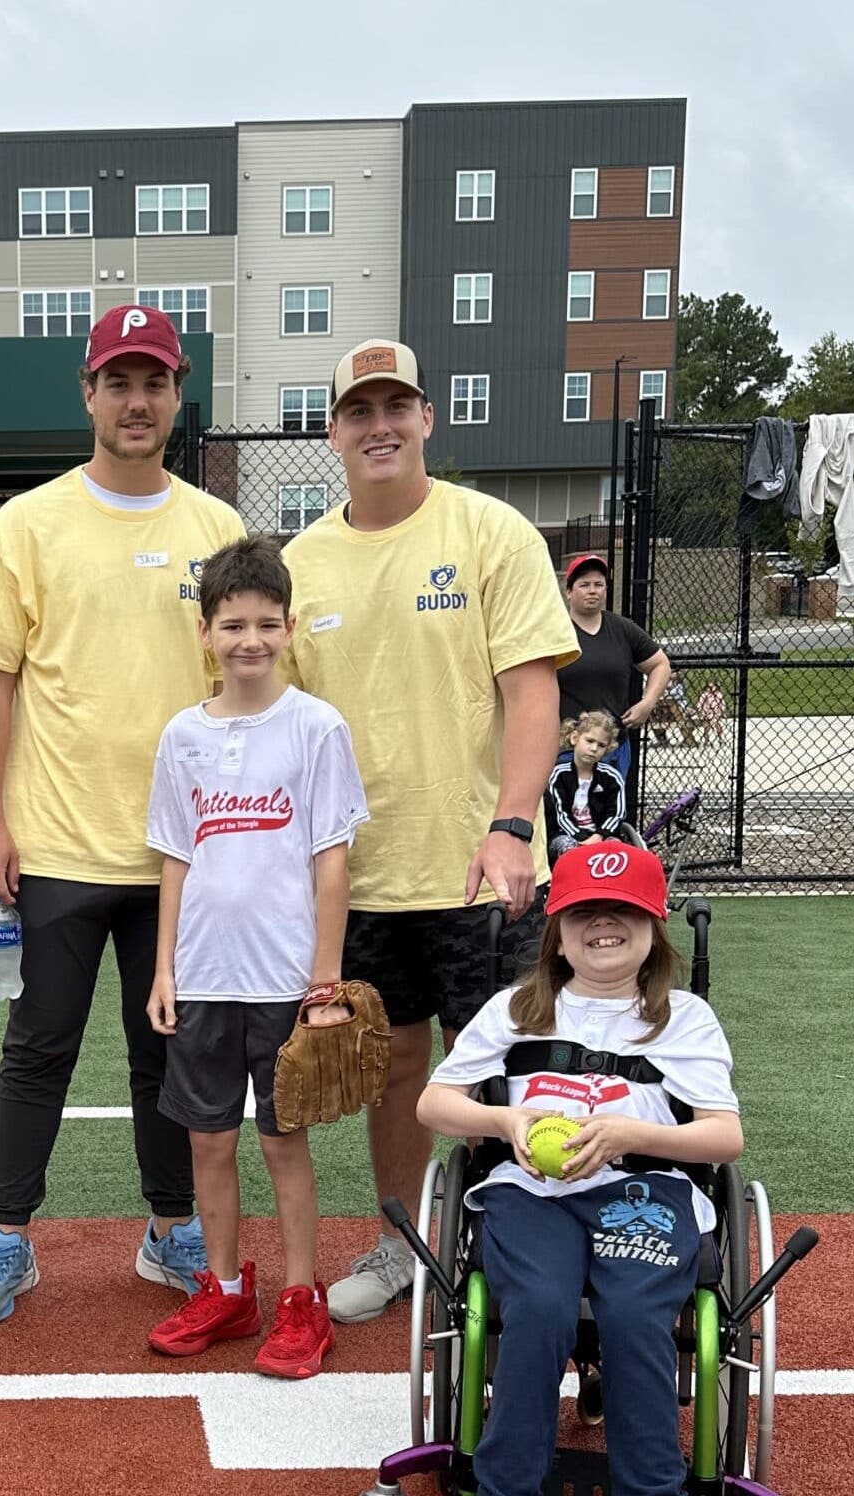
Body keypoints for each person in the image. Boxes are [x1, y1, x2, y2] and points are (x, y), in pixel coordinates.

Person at [0, 304, 248, 1327]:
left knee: (169, 1049)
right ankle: (7, 1239)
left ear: (176, 390)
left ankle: (171, 1231)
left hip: (184, 855)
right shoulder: (29, 523)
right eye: (117, 381)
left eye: (153, 381)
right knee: (40, 1045)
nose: (135, 400)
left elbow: (252, 677)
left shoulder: (215, 531)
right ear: (88, 392)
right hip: (61, 841)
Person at [281, 339, 577, 1324]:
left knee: (496, 1061)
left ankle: (510, 1249)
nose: (379, 426)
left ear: (427, 418)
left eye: (395, 406)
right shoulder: (301, 565)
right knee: (395, 1068)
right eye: (359, 410)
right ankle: (405, 1245)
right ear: (333, 430)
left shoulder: (488, 531)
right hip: (361, 875)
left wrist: (511, 826)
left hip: (473, 866)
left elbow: (532, 691)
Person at [414, 841, 742, 1496]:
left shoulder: (684, 1019)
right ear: (557, 931)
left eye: (623, 911)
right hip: (532, 1191)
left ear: (652, 928)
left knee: (634, 1316)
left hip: (645, 1188)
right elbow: (434, 1101)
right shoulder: (517, 1010)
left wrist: (633, 1131)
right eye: (585, 913)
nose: (604, 925)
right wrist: (506, 1122)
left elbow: (725, 1136)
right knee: (539, 1309)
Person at [142, 537, 369, 1377]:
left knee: (282, 1142)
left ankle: (301, 1300)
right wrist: (165, 968)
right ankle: (229, 1286)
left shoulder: (315, 726)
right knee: (208, 1142)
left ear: (289, 627)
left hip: (285, 980)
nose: (250, 640)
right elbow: (174, 855)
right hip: (203, 973)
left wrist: (325, 978)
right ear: (203, 631)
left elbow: (331, 858)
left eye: (266, 624)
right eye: (232, 624)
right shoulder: (181, 735)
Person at [557, 554, 670, 780]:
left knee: (609, 811)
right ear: (569, 592)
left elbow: (660, 664)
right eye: (584, 585)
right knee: (569, 812)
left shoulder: (622, 629)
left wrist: (647, 704)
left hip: (612, 748)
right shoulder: (555, 631)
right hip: (566, 748)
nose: (593, 591)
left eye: (599, 585)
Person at [545, 712, 631, 860]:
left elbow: (616, 814)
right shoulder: (558, 774)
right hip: (566, 834)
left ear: (608, 748)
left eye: (601, 745)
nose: (594, 748)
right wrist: (582, 838)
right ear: (575, 738)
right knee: (569, 848)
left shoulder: (612, 777)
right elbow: (561, 813)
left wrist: (599, 836)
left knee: (618, 850)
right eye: (589, 741)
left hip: (602, 835)